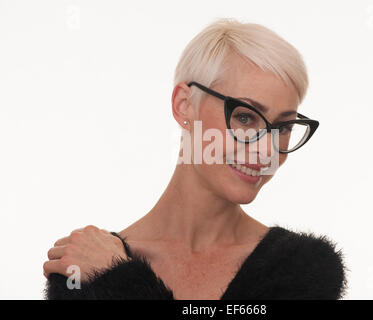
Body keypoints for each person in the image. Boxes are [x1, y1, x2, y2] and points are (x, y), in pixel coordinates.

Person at [43, 17, 347, 300]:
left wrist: (117, 278)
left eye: (283, 127)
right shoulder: (80, 267)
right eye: (244, 117)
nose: (267, 151)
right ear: (184, 105)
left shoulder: (304, 267)